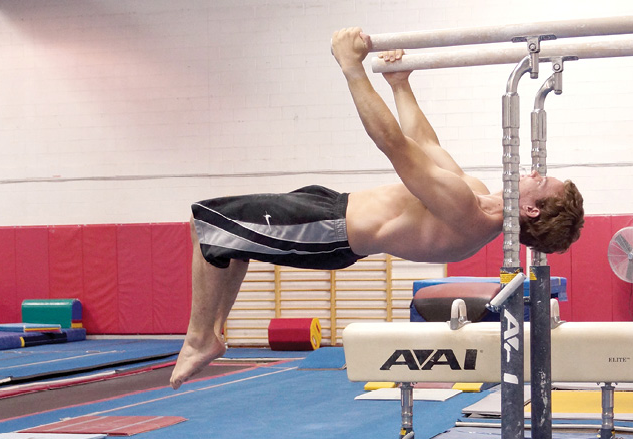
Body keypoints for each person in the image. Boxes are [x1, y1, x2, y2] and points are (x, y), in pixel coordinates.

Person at [169, 28, 584, 390]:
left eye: (542, 179)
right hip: (330, 207)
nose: (532, 171)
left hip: (327, 231)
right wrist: (401, 85)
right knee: (228, 241)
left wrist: (352, 68)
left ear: (531, 210)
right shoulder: (475, 194)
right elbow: (427, 145)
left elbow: (394, 145)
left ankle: (201, 336)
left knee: (207, 224)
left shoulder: (468, 215)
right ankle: (211, 332)